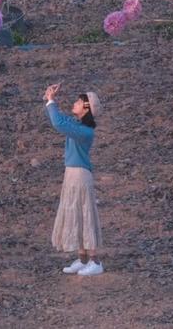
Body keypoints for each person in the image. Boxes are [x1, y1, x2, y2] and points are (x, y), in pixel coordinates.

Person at [43, 83, 103, 275]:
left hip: (80, 175)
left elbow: (58, 123)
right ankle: (84, 259)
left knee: (85, 216)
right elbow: (59, 121)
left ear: (87, 109)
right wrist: (50, 99)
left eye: (79, 102)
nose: (75, 103)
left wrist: (51, 101)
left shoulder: (85, 131)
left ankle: (95, 262)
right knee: (77, 214)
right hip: (72, 174)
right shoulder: (78, 126)